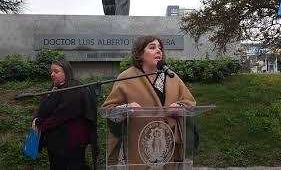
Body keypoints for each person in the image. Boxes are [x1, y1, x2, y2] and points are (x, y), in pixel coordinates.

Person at [102, 35, 196, 168]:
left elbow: (190, 103)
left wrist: (179, 107)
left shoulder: (171, 76)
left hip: (168, 146)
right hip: (139, 145)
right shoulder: (126, 77)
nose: (158, 50)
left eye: (160, 48)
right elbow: (109, 109)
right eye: (152, 47)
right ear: (140, 54)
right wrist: (125, 108)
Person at [31, 60, 98, 170]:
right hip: (54, 142)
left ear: (66, 72)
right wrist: (35, 119)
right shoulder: (53, 88)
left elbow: (60, 115)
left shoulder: (75, 89)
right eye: (51, 71)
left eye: (56, 71)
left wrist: (40, 124)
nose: (52, 74)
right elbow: (43, 108)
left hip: (72, 142)